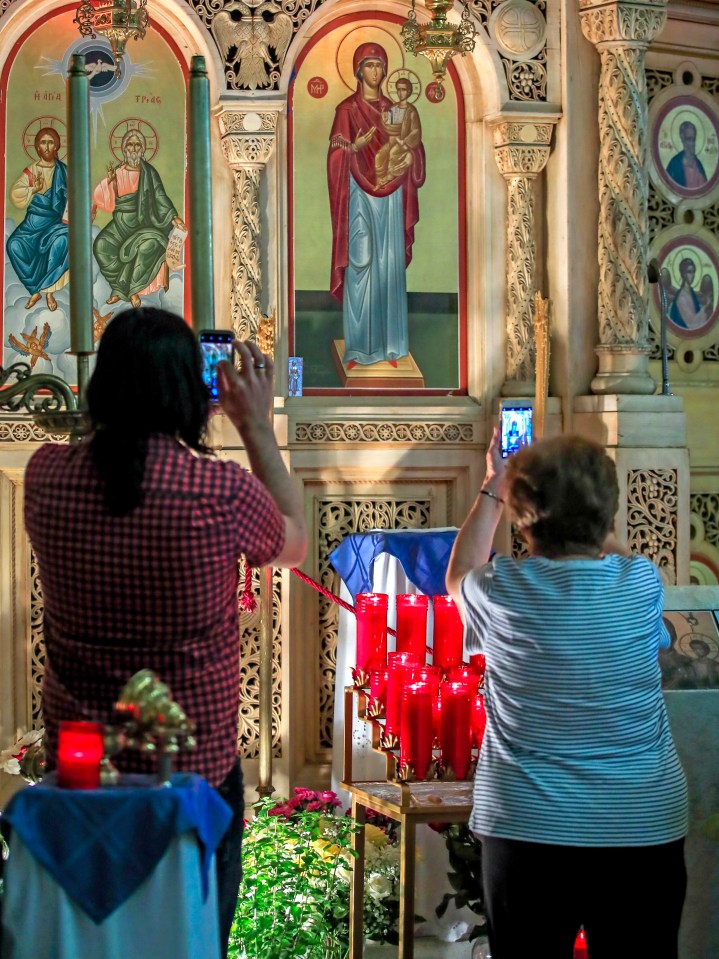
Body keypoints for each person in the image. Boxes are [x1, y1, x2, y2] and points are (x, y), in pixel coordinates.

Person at [23, 307, 308, 957]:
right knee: (189, 938)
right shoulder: (217, 490)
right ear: (189, 392)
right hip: (189, 778)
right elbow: (292, 546)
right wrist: (256, 425)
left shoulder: (44, 476)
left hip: (81, 774)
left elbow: (103, 465)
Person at [445, 431, 688, 959]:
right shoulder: (640, 584)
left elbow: (457, 573)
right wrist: (594, 512)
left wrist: (492, 486)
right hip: (639, 821)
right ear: (609, 515)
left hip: (527, 825)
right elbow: (615, 555)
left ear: (521, 516)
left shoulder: (499, 590)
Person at [327, 43, 425, 369]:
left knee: (389, 263)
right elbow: (336, 152)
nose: (376, 72)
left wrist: (408, 148)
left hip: (391, 190)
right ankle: (357, 348)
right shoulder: (346, 110)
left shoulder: (395, 107)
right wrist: (354, 147)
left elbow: (412, 140)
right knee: (360, 259)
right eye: (369, 65)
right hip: (357, 188)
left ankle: (392, 348)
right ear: (358, 70)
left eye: (380, 66)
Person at [92, 129, 185, 308]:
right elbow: (103, 198)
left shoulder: (149, 173)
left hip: (145, 223)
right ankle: (119, 289)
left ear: (142, 149)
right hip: (120, 224)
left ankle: (133, 290)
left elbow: (160, 196)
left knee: (147, 246)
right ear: (124, 148)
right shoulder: (118, 172)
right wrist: (110, 182)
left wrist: (173, 217)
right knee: (101, 246)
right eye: (130, 144)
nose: (133, 148)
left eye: (137, 145)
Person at [6, 126, 68, 312]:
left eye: (51, 142)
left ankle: (49, 291)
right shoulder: (32, 170)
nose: (47, 146)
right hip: (33, 223)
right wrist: (33, 189)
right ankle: (35, 290)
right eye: (43, 142)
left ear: (56, 146)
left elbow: (75, 196)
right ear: (37, 147)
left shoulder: (64, 172)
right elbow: (15, 195)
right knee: (13, 245)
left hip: (56, 223)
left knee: (62, 241)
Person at [375, 77, 422, 188]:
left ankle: (388, 180)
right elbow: (387, 125)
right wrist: (384, 119)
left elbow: (416, 130)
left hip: (403, 143)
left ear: (409, 91)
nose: (401, 93)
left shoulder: (411, 111)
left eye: (404, 90)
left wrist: (405, 142)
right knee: (379, 156)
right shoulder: (393, 108)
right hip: (392, 140)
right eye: (399, 90)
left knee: (393, 153)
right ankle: (380, 182)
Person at [668, 256, 713, 330]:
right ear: (683, 274)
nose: (692, 275)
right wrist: (706, 307)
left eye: (693, 272)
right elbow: (691, 323)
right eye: (689, 272)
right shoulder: (681, 297)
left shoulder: (691, 293)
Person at [666, 120, 708, 189]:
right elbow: (667, 189)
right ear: (682, 139)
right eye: (689, 139)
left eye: (693, 139)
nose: (692, 144)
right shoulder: (674, 164)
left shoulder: (698, 165)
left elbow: (706, 190)